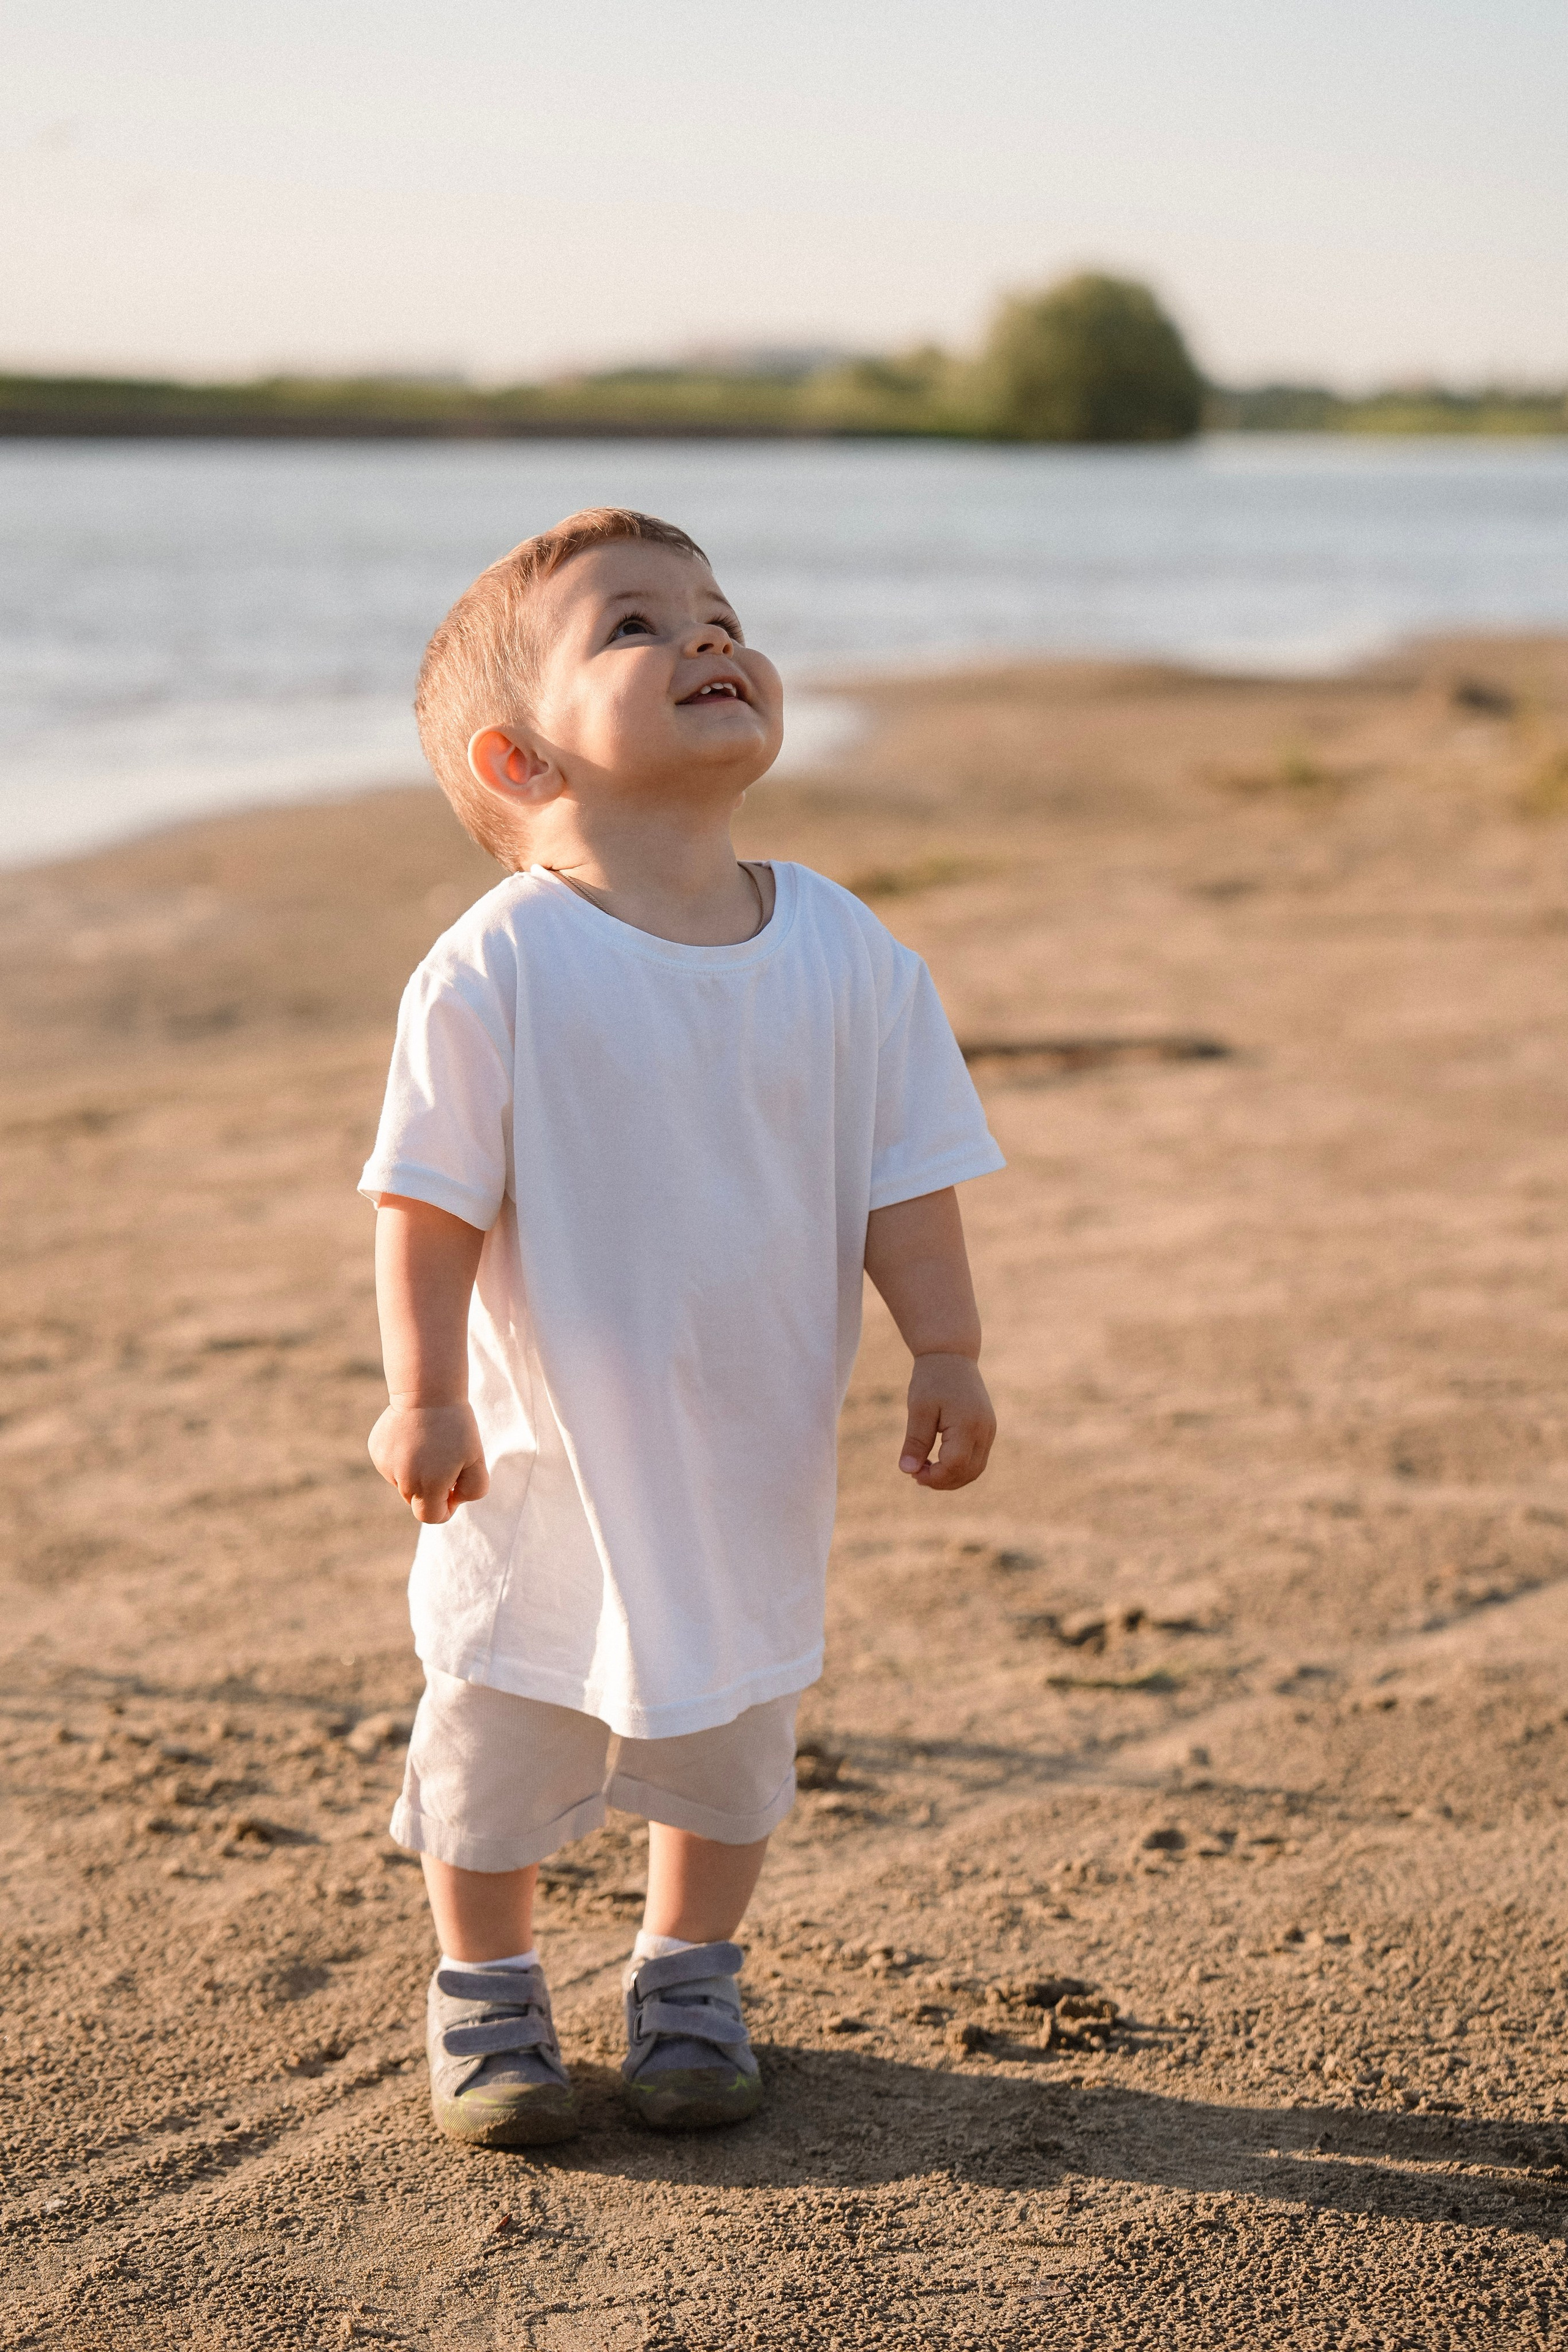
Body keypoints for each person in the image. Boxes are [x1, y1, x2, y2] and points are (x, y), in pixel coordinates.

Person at [361, 507, 1003, 2147]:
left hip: (748, 1449)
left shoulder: (847, 954)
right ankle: (486, 1992)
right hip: (539, 1459)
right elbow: (423, 1200)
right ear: (522, 758)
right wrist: (423, 1394)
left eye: (720, 613)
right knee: (500, 1723)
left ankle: (689, 1971)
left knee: (732, 1730)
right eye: (637, 627)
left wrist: (948, 1346)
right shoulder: (498, 965)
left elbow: (906, 1172)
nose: (710, 638)